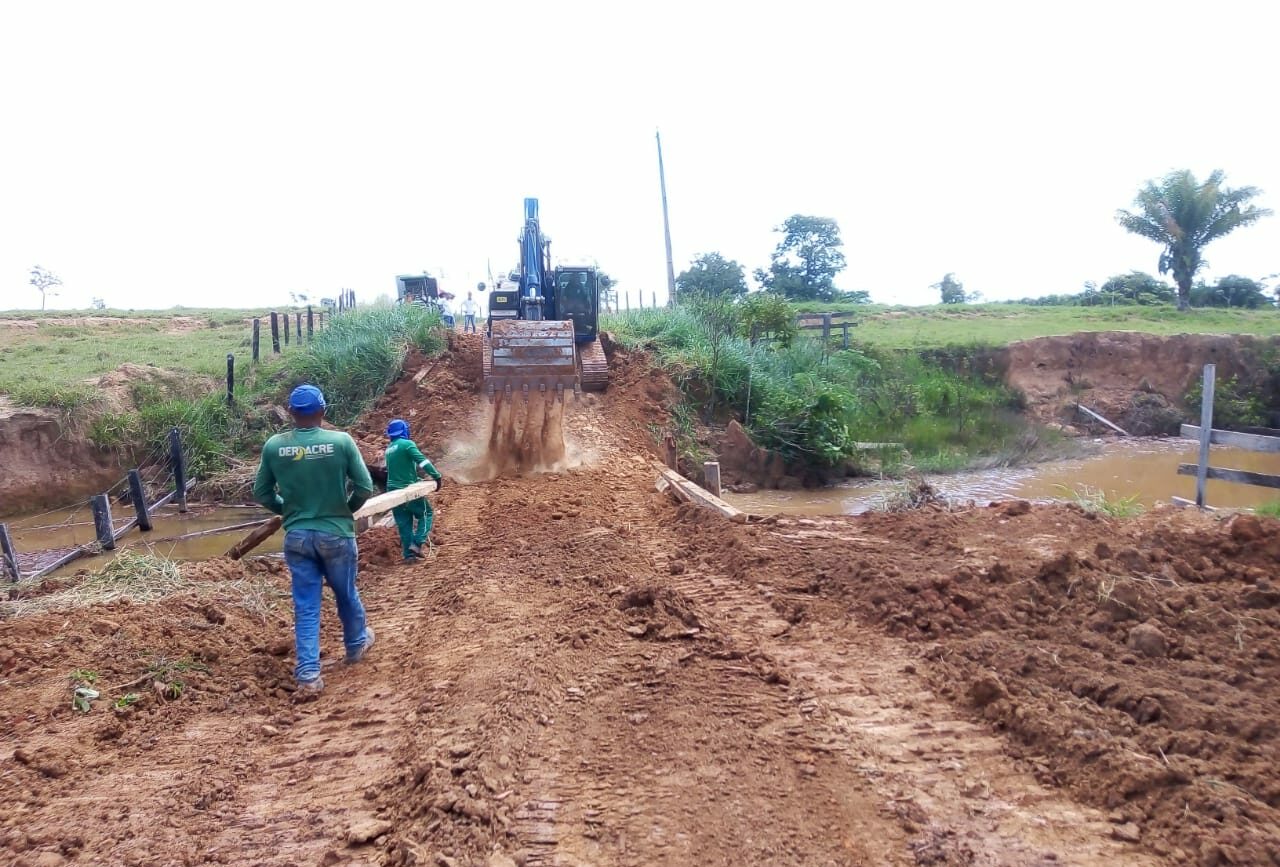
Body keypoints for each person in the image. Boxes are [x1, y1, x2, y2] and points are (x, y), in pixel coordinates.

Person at [254, 384, 376, 695]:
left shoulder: (274, 446)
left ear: (292, 413)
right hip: (336, 534)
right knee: (345, 593)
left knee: (306, 605)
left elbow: (262, 493)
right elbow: (364, 488)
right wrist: (343, 511)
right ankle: (356, 645)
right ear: (323, 411)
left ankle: (308, 673)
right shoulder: (341, 442)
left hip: (297, 538)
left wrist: (289, 512)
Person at [384, 418, 443, 561]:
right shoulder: (407, 444)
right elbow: (422, 461)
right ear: (404, 431)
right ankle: (417, 543)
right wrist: (436, 476)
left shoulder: (389, 449)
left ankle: (409, 555)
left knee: (404, 523)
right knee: (426, 513)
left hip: (392, 492)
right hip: (407, 490)